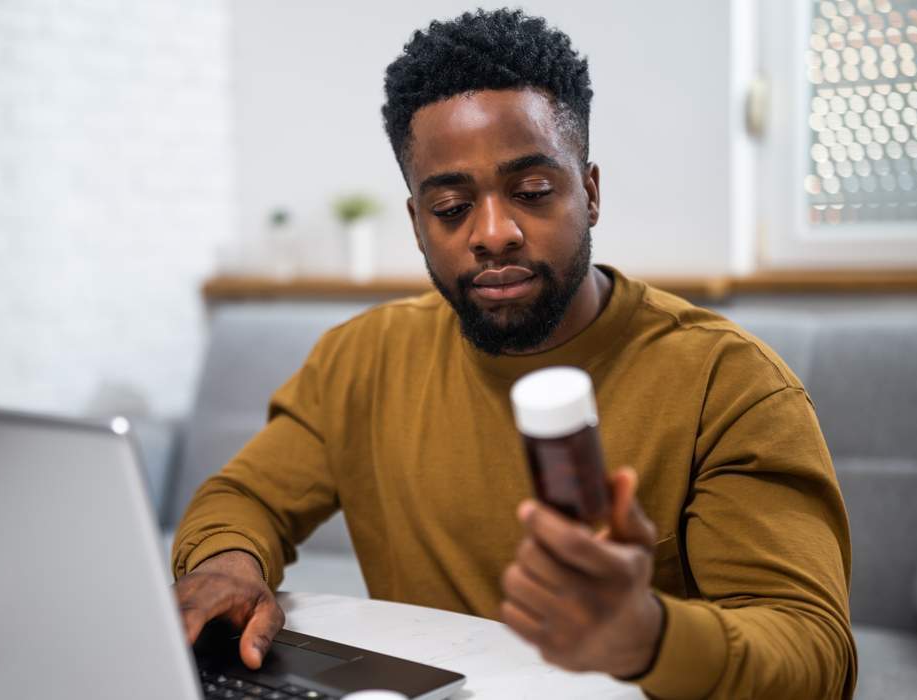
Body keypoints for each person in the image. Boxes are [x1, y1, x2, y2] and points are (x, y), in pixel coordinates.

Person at [171, 8, 856, 699]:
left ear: (588, 193)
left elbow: (812, 656)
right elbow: (244, 497)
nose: (493, 233)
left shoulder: (727, 384)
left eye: (531, 192)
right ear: (415, 224)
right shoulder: (362, 360)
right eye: (449, 207)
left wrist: (649, 635)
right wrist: (228, 563)